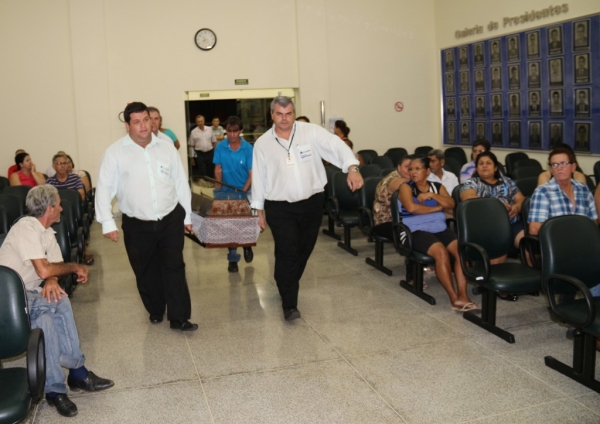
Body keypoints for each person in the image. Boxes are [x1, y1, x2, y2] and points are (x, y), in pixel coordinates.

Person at [0, 185, 113, 417]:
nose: (62, 208)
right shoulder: (26, 227)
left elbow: (53, 267)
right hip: (7, 301)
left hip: (28, 295)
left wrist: (52, 279)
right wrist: (74, 267)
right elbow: (44, 269)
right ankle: (78, 372)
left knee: (47, 319)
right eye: (59, 204)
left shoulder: (47, 233)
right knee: (57, 303)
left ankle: (54, 390)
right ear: (49, 209)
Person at [251, 96, 362, 321]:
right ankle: (290, 305)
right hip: (279, 207)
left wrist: (352, 167)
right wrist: (258, 211)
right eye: (279, 114)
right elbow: (259, 178)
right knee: (288, 250)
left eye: (289, 114)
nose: (284, 119)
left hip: (311, 203)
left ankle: (284, 279)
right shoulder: (262, 143)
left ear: (294, 113)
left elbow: (335, 145)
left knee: (304, 249)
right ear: (272, 115)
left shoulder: (310, 132)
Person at [95, 102, 197, 331]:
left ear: (152, 121)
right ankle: (156, 308)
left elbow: (180, 183)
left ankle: (179, 317)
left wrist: (187, 216)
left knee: (174, 266)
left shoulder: (167, 148)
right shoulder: (115, 153)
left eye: (146, 120)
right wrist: (107, 222)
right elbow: (104, 188)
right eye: (137, 122)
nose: (143, 126)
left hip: (170, 217)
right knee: (145, 269)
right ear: (127, 126)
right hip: (136, 223)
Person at [399, 156, 478, 312]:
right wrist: (437, 208)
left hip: (440, 228)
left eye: (418, 169)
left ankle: (463, 296)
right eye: (411, 169)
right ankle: (454, 298)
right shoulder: (406, 187)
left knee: (461, 251)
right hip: (414, 230)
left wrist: (433, 196)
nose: (413, 172)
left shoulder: (437, 187)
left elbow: (451, 203)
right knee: (441, 252)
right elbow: (412, 208)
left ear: (427, 171)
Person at [460, 151, 525, 256]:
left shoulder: (507, 181)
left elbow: (521, 199)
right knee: (498, 253)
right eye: (481, 163)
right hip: (486, 226)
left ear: (495, 168)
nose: (484, 166)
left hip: (512, 222)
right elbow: (468, 198)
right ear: (476, 168)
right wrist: (497, 206)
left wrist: (517, 207)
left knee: (527, 245)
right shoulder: (471, 182)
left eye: (489, 163)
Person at [213, 116, 254, 273]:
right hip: (227, 191)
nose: (231, 135)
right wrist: (218, 191)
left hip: (246, 190)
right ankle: (232, 259)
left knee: (244, 223)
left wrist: (243, 192)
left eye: (235, 131)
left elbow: (252, 174)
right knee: (230, 226)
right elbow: (218, 169)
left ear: (240, 131)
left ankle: (247, 244)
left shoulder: (248, 149)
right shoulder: (220, 147)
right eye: (229, 131)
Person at [529, 146, 597, 237]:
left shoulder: (583, 189)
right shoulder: (543, 192)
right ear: (551, 170)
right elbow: (534, 229)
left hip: (585, 239)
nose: (559, 168)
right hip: (558, 241)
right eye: (555, 164)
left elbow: (594, 221)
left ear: (573, 167)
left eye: (564, 163)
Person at [372, 156, 418, 285]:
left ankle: (423, 264)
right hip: (385, 222)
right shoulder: (393, 179)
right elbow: (400, 184)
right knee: (412, 235)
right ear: (398, 167)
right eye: (407, 167)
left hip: (405, 220)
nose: (410, 171)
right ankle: (412, 277)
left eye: (413, 168)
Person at [46, 153, 94, 265]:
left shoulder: (75, 178)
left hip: (73, 211)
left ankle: (84, 251)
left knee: (74, 220)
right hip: (56, 213)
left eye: (64, 163)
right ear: (54, 166)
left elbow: (81, 195)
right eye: (59, 163)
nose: (62, 166)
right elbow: (47, 201)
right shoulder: (50, 182)